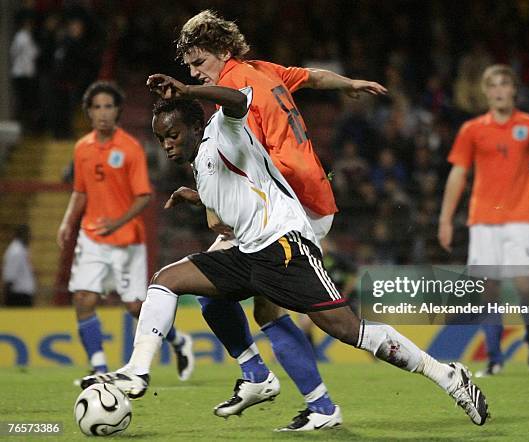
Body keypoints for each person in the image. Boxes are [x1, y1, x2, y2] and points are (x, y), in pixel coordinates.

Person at [82, 86, 489, 430]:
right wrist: (196, 199)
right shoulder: (203, 167)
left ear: (194, 126)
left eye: (171, 134)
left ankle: (447, 375)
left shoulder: (222, 131)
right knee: (169, 280)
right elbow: (231, 218)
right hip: (249, 253)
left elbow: (238, 102)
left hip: (284, 248)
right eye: (160, 139)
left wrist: (188, 90)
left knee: (349, 330)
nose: (166, 143)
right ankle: (141, 371)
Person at [152, 9, 386, 428]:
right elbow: (312, 77)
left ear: (223, 51)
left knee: (231, 292)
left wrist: (211, 208)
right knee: (248, 302)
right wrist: (348, 83)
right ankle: (305, 399)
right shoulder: (262, 69)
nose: (194, 72)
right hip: (312, 196)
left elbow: (235, 162)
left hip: (290, 203)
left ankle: (281, 387)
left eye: (199, 62)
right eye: (188, 66)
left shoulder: (232, 86)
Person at [57, 81, 194, 379]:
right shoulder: (82, 149)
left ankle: (178, 341)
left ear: (118, 110)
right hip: (91, 236)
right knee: (83, 299)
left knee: (134, 307)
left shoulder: (130, 148)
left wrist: (116, 223)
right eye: (97, 107)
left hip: (127, 238)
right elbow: (80, 191)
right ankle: (99, 368)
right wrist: (68, 221)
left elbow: (144, 196)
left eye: (108, 106)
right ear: (89, 112)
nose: (103, 112)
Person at [438, 64, 529, 377]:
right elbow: (458, 173)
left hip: (520, 218)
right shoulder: (472, 129)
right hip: (482, 220)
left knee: (524, 286)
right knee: (488, 290)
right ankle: (494, 358)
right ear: (485, 91)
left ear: (514, 90)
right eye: (492, 85)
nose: (498, 90)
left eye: (504, 84)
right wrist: (446, 219)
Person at [2, 224, 36, 307]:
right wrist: (5, 298)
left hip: (23, 295)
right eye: (28, 234)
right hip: (18, 296)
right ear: (22, 235)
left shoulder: (22, 250)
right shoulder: (16, 251)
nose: (30, 237)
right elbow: (9, 276)